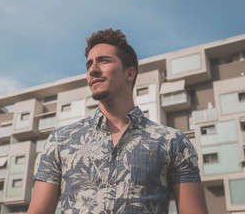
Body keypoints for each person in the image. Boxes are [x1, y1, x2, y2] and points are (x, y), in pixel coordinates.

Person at [27, 28, 208, 214]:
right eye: (89, 64)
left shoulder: (173, 142)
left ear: (129, 74)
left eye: (104, 61)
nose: (93, 70)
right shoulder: (60, 140)